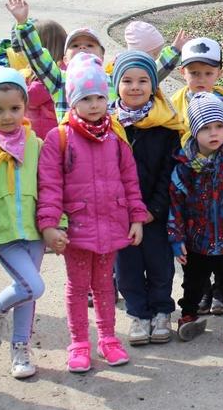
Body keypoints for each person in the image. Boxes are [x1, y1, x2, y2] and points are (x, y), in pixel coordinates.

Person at [36, 53, 147, 373]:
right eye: (86, 98)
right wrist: (50, 225)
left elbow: (130, 180)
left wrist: (137, 217)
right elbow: (50, 186)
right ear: (73, 100)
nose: (95, 104)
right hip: (77, 229)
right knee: (77, 287)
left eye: (100, 96)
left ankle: (109, 339)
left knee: (105, 287)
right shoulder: (58, 138)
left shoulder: (116, 138)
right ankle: (79, 343)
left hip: (111, 225)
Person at [0, 67, 45, 379]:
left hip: (35, 228)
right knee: (33, 286)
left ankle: (20, 349)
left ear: (25, 107)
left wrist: (59, 221)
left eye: (15, 108)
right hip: (1, 229)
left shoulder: (35, 143)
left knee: (27, 292)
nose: (7, 116)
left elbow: (50, 185)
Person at [168, 93, 223, 345]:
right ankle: (188, 315)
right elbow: (175, 204)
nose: (214, 133)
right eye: (206, 128)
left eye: (219, 126)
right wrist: (176, 238)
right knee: (193, 282)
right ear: (194, 131)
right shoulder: (184, 167)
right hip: (197, 239)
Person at [169, 36, 223, 316]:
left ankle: (221, 292)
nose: (200, 79)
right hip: (191, 180)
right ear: (183, 73)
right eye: (193, 73)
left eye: (207, 73)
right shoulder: (174, 103)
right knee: (195, 246)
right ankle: (201, 291)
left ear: (219, 73)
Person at [110, 51, 186, 346]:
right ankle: (138, 314)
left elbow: (170, 171)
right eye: (127, 80)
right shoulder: (110, 126)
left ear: (153, 86)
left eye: (143, 80)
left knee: (159, 265)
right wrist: (125, 210)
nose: (135, 87)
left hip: (156, 212)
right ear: (116, 85)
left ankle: (161, 311)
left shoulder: (165, 125)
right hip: (122, 214)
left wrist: (154, 208)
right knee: (126, 268)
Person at [6, 0, 110, 122]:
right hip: (70, 140)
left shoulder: (110, 79)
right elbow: (37, 55)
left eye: (90, 44)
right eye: (75, 45)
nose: (82, 48)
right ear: (65, 58)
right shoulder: (60, 80)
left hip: (106, 140)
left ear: (102, 56)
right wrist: (23, 24)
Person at [25, 20, 67, 140]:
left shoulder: (54, 73)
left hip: (45, 133)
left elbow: (30, 97)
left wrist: (19, 82)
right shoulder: (63, 67)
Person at [122, 20, 187, 82]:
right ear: (140, 53)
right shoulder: (131, 72)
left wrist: (174, 50)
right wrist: (173, 51)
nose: (156, 58)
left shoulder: (127, 64)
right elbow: (157, 72)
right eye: (155, 54)